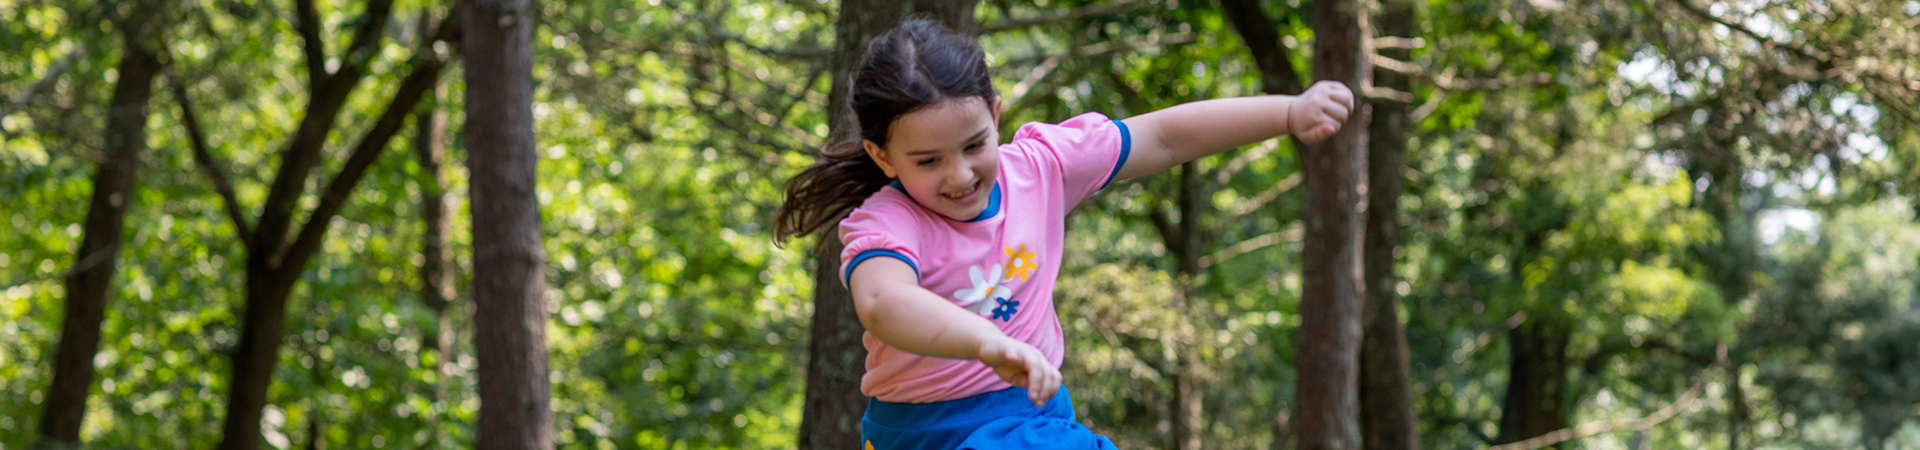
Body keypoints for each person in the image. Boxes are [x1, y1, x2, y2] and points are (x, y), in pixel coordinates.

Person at [774, 18, 1353, 450]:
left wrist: (1286, 112)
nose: (959, 175)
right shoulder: (887, 220)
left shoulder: (1041, 166)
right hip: (928, 430)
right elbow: (882, 302)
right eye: (928, 161)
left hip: (1035, 412)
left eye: (975, 145)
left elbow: (1165, 137)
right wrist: (985, 344)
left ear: (995, 115)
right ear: (882, 155)